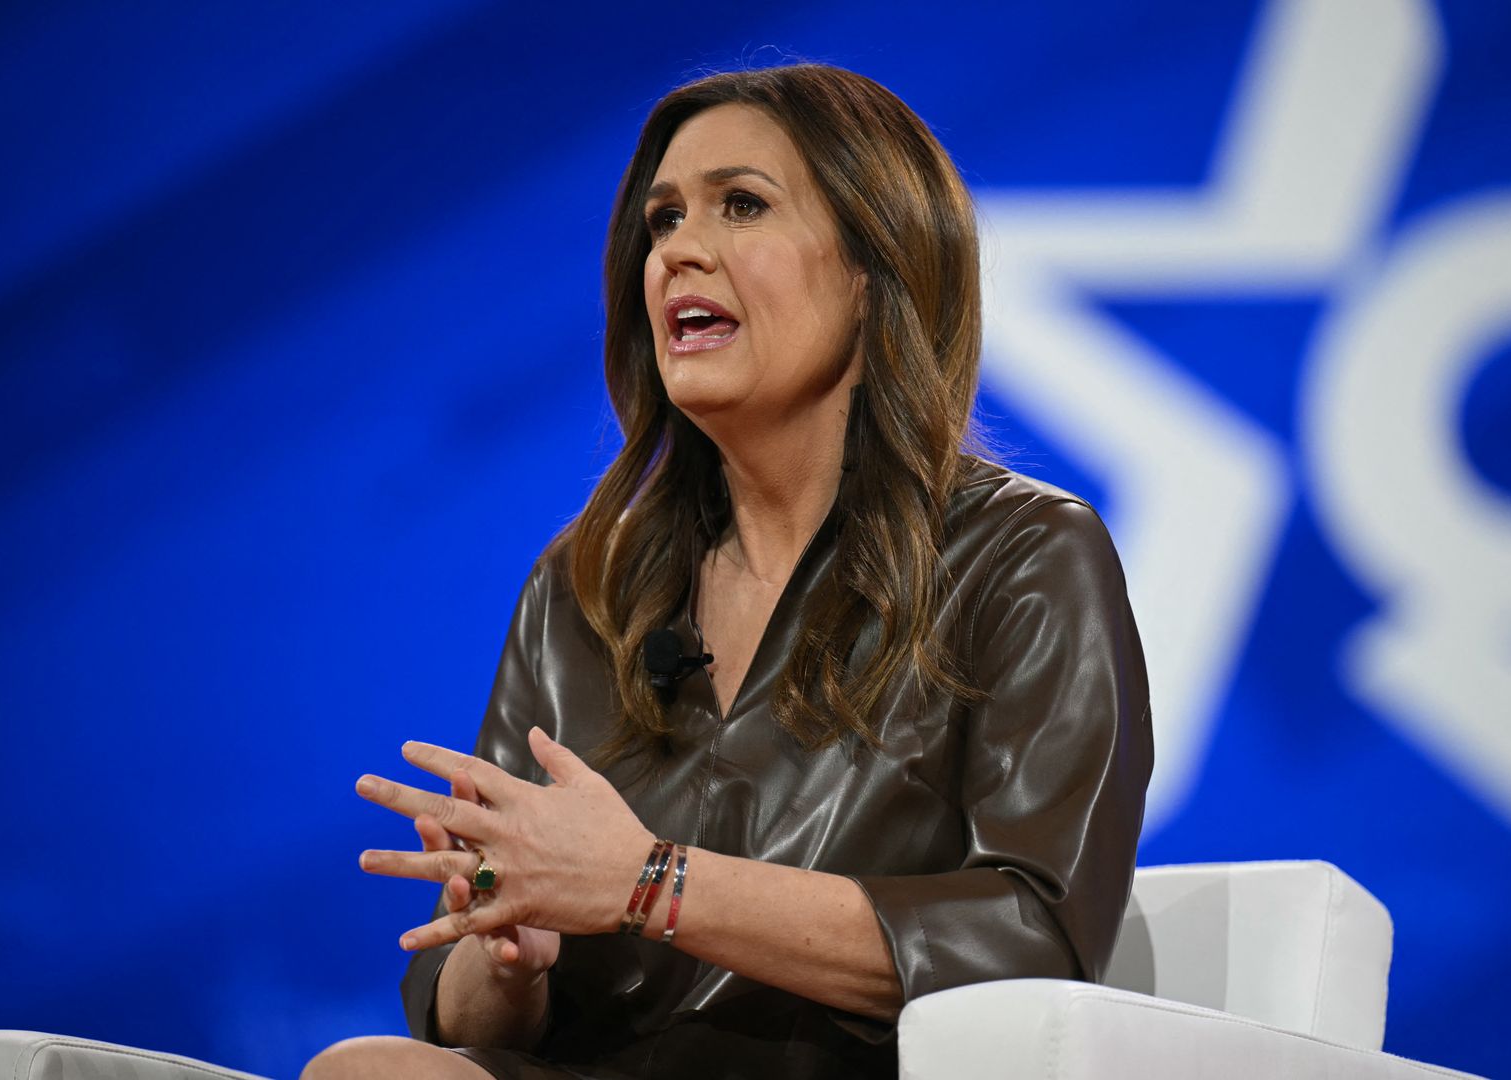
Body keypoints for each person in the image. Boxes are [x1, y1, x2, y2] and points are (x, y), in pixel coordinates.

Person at [303, 62, 1153, 1080]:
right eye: (661, 221)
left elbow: (1035, 939)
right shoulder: (585, 589)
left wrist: (649, 883)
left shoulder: (1022, 558)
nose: (679, 253)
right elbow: (470, 1029)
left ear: (876, 266)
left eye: (741, 205)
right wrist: (510, 954)